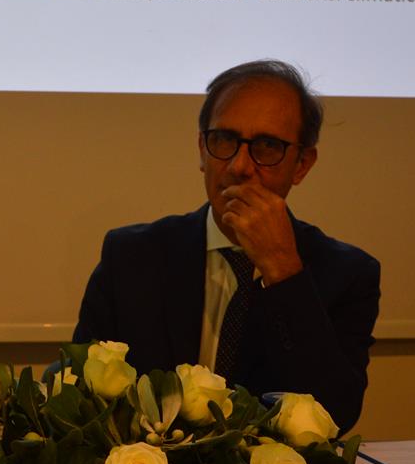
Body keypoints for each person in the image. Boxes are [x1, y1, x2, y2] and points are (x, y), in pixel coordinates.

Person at [73, 61, 379, 430]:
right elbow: (79, 399)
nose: (239, 166)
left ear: (302, 164)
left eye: (267, 146)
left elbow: (336, 415)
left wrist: (283, 271)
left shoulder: (347, 274)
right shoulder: (132, 257)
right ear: (202, 150)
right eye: (224, 140)